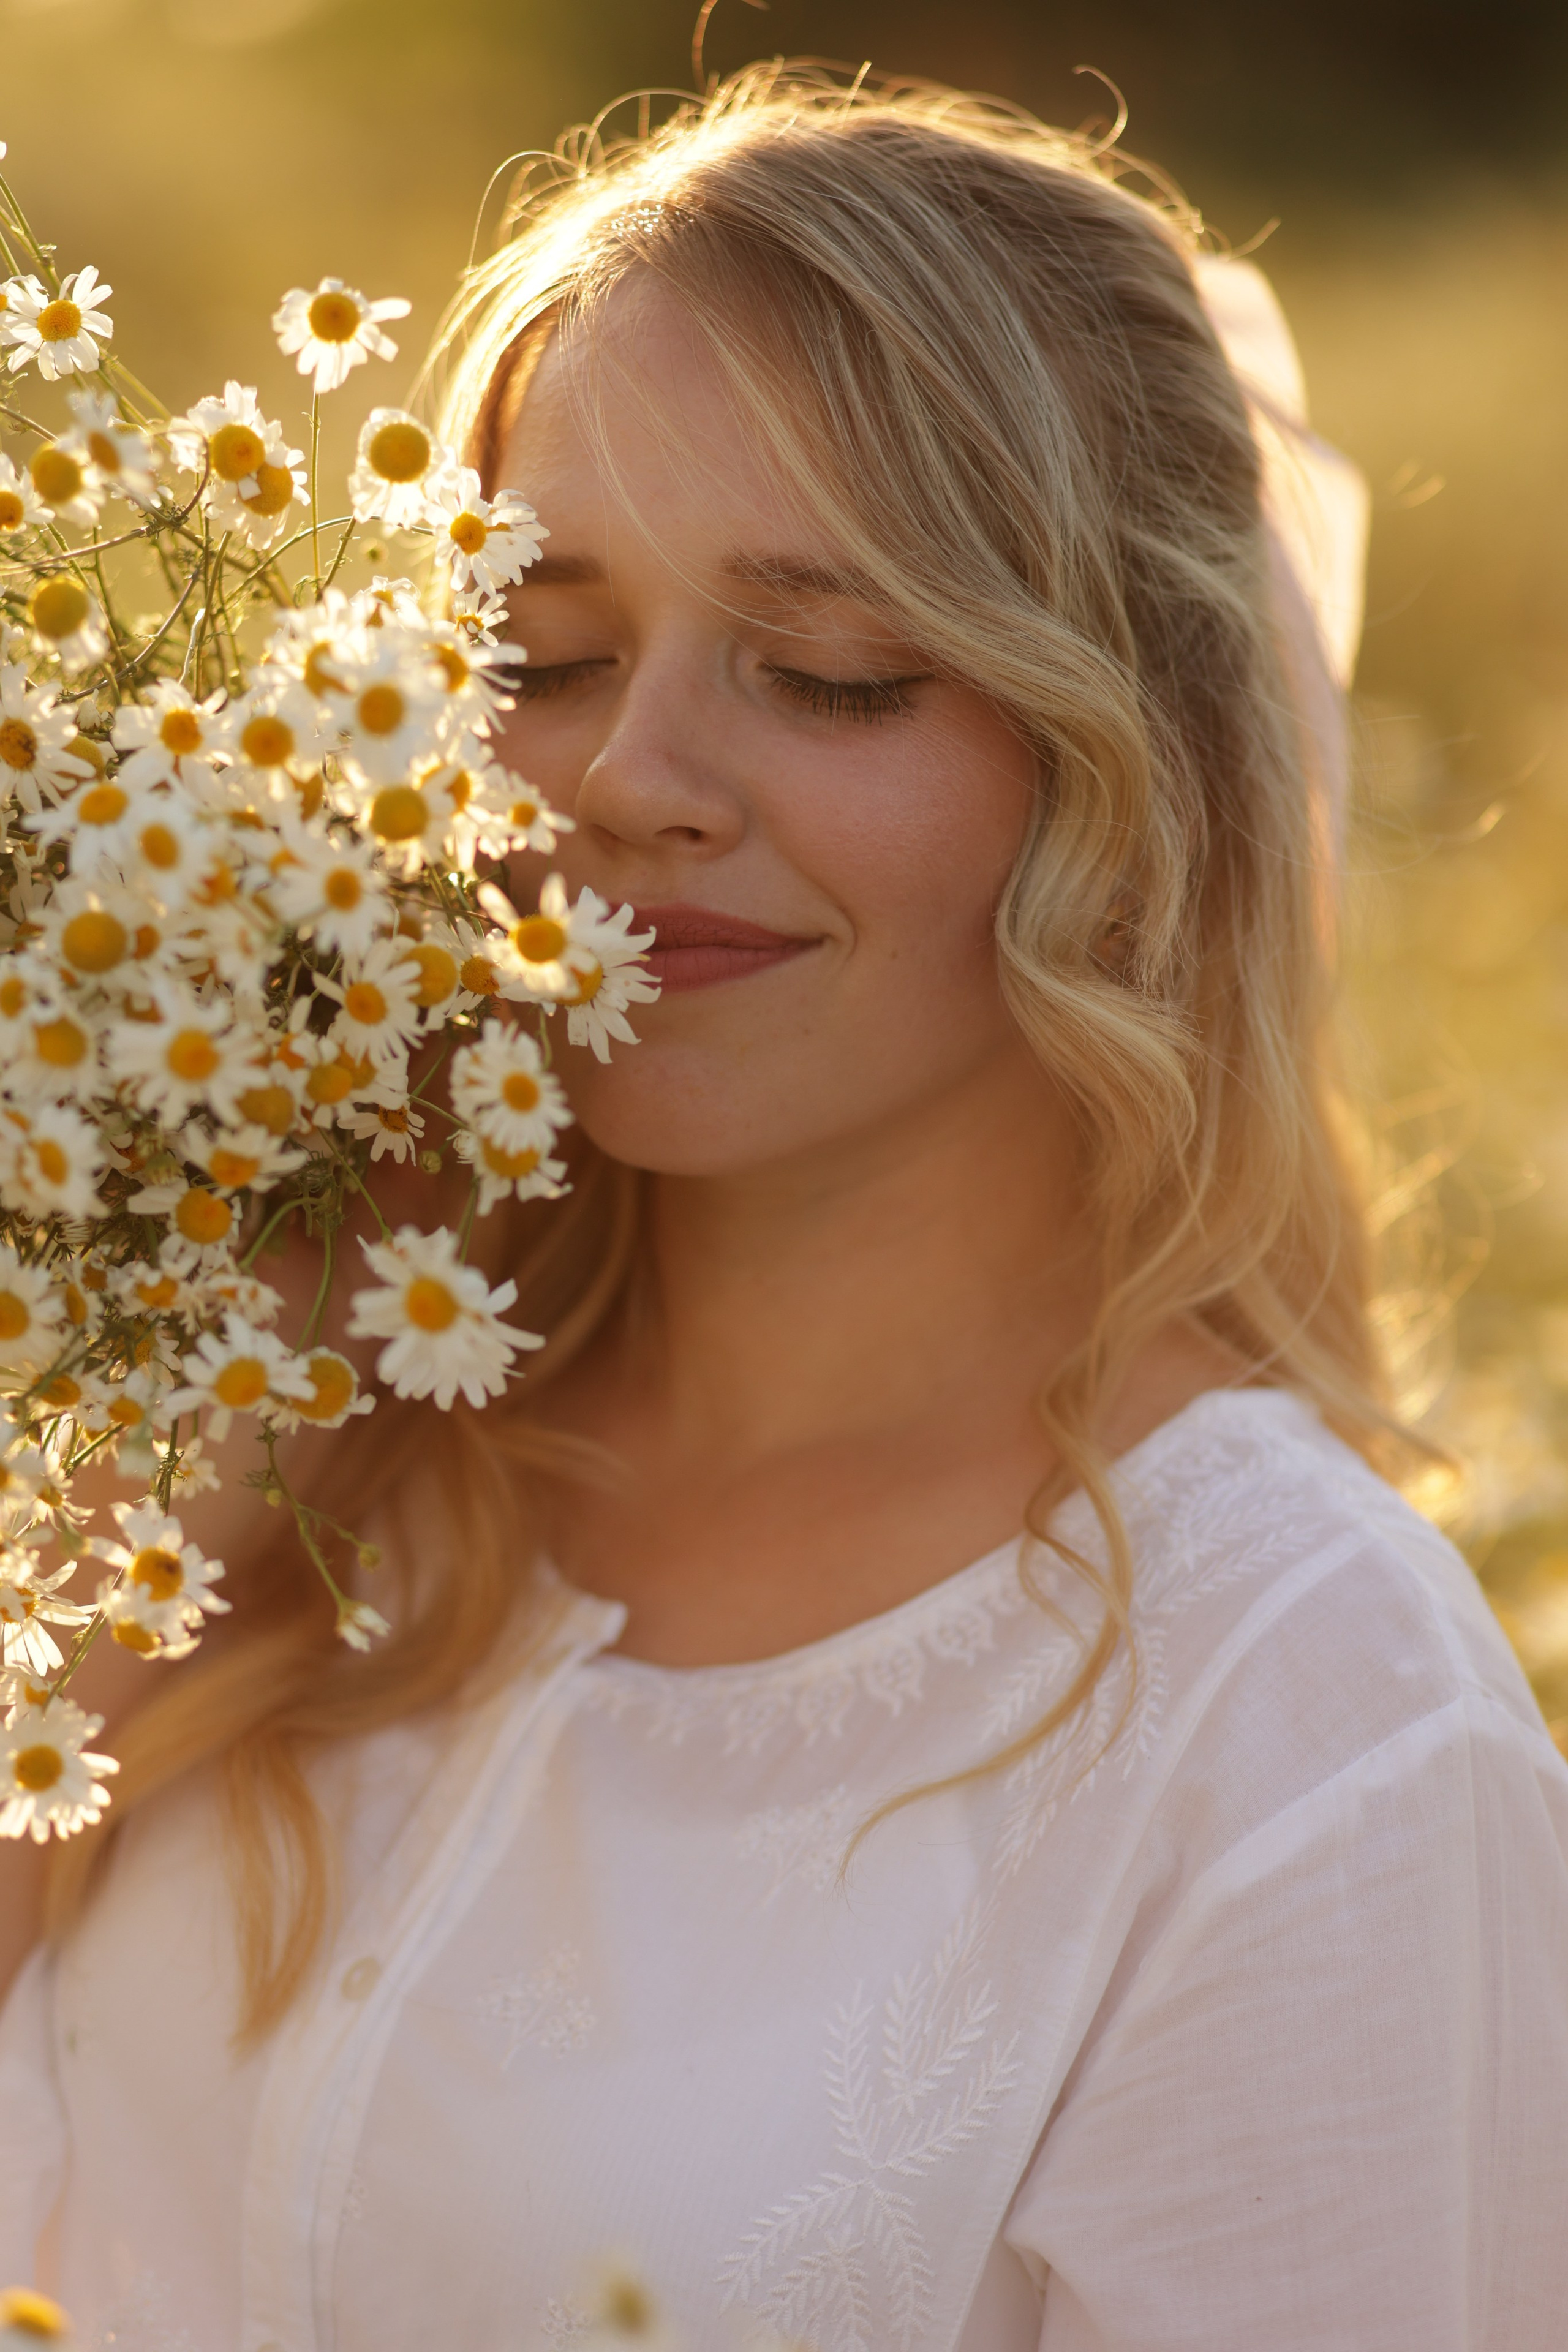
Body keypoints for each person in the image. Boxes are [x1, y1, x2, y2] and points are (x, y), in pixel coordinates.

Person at [3, 62, 1567, 2352]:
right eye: (547, 657)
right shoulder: (299, 1424)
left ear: (1137, 765)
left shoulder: (1306, 1725)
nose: (630, 777)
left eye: (831, 676)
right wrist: (205, 1420)